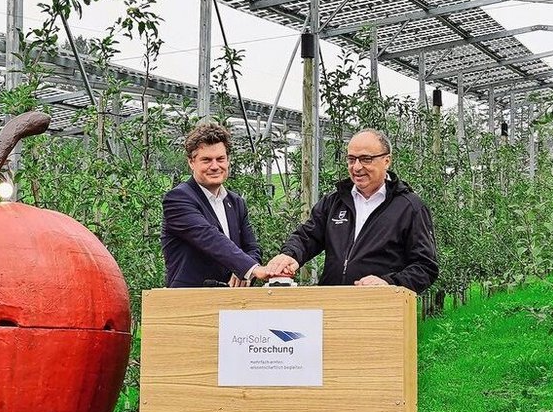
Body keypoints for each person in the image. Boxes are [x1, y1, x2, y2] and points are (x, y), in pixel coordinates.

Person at [263, 128, 435, 292]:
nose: (357, 167)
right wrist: (290, 255)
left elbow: (425, 266)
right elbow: (307, 236)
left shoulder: (409, 207)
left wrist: (390, 283)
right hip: (333, 305)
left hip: (381, 310)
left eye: (366, 159)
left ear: (387, 161)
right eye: (351, 159)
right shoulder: (334, 202)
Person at [161, 122, 264, 288]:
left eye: (220, 159)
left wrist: (245, 272)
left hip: (232, 304)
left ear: (228, 160)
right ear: (191, 162)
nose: (215, 166)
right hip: (190, 302)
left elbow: (252, 248)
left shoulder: (236, 203)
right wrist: (249, 268)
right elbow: (209, 237)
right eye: (206, 160)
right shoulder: (178, 199)